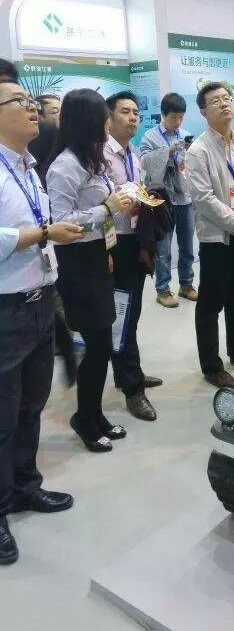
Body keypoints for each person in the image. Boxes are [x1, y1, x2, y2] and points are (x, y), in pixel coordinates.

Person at [0, 78, 84, 565]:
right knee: (1, 416)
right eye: (19, 101)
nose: (32, 108)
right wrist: (43, 232)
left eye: (31, 101)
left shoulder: (30, 167)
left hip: (38, 301)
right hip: (5, 309)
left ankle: (25, 486)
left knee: (31, 405)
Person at [47, 89, 134, 453]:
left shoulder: (91, 159)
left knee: (103, 344)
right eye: (104, 118)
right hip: (76, 263)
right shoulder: (64, 167)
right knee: (97, 347)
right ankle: (85, 418)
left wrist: (108, 245)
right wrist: (106, 208)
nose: (108, 124)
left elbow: (103, 213)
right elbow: (61, 223)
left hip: (97, 256)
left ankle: (94, 414)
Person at [186, 82, 234, 388]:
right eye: (215, 101)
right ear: (203, 112)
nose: (223, 104)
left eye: (227, 98)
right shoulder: (198, 151)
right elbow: (203, 199)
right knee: (210, 301)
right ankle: (211, 366)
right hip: (218, 236)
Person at [104, 91, 162, 422]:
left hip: (135, 240)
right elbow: (101, 205)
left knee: (132, 310)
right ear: (109, 117)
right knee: (122, 313)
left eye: (136, 113)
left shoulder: (133, 153)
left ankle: (127, 371)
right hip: (114, 244)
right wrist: (106, 250)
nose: (133, 118)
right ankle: (132, 388)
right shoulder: (100, 156)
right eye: (125, 111)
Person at [28, 120, 79, 386]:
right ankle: (67, 349)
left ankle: (67, 349)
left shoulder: (39, 175)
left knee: (52, 306)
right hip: (42, 256)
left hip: (47, 256)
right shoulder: (49, 172)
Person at [140, 93, 197, 309]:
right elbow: (144, 163)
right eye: (174, 117)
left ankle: (186, 284)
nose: (178, 122)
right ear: (163, 114)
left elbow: (192, 166)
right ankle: (163, 289)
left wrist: (190, 152)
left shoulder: (186, 135)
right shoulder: (149, 137)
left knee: (187, 245)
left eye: (181, 117)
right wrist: (167, 151)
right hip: (161, 200)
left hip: (184, 197)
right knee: (163, 248)